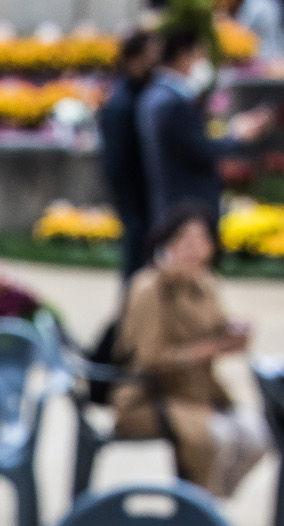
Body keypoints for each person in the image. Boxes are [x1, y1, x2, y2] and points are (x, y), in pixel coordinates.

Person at [112, 202, 270, 498]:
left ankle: (210, 504)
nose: (193, 249)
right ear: (166, 243)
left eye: (201, 240)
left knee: (257, 435)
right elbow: (148, 359)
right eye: (184, 239)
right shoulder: (149, 288)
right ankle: (200, 508)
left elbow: (217, 328)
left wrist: (233, 332)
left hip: (200, 393)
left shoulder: (206, 284)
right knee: (215, 438)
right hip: (153, 396)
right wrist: (207, 350)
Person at [136, 28, 271, 228]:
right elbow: (200, 149)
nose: (204, 62)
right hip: (187, 205)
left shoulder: (155, 95)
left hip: (170, 201)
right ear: (183, 56)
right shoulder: (174, 103)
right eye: (200, 55)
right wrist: (239, 136)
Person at [98, 30, 160, 281]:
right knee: (136, 255)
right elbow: (116, 160)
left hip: (144, 191)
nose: (157, 58)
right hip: (133, 193)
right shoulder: (121, 101)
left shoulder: (143, 92)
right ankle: (130, 315)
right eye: (152, 52)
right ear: (135, 58)